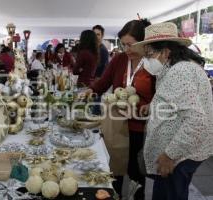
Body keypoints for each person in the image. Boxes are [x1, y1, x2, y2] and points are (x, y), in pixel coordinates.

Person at [131, 22, 213, 200]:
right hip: (188, 148)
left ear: (165, 51)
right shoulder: (177, 67)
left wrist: (170, 155)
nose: (146, 61)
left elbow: (196, 120)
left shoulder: (179, 72)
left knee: (169, 195)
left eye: (149, 54)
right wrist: (153, 106)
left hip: (181, 154)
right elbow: (177, 101)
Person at [86, 19, 154, 200]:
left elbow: (160, 96)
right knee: (114, 170)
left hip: (141, 128)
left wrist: (146, 109)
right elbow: (104, 82)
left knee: (136, 173)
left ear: (143, 42)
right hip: (117, 125)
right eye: (123, 45)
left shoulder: (154, 63)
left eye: (131, 45)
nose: (127, 50)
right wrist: (91, 90)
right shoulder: (120, 59)